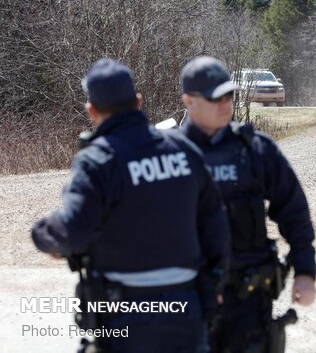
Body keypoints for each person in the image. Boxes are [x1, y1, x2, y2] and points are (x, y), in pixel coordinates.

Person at [31, 59, 230, 352]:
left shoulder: (97, 161)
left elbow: (73, 232)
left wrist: (41, 233)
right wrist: (214, 284)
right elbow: (215, 223)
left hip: (126, 313)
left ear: (92, 111)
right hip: (187, 308)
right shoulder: (183, 149)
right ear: (138, 101)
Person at [179, 56, 316, 353]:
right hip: (188, 301)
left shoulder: (255, 149)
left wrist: (305, 272)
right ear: (188, 101)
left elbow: (294, 212)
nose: (225, 103)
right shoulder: (168, 156)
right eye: (215, 98)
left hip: (249, 300)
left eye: (228, 95)